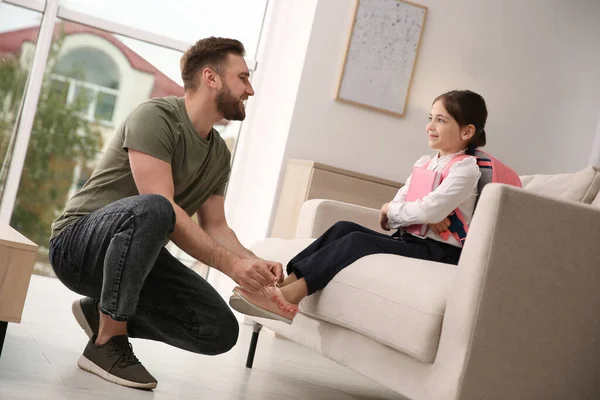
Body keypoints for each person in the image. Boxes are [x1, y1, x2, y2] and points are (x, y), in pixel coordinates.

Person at [48, 37, 283, 390]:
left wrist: (255, 269)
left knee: (218, 330)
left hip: (134, 260)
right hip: (77, 247)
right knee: (158, 207)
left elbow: (217, 227)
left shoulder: (219, 154)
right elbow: (162, 208)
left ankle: (101, 311)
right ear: (211, 78)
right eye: (243, 78)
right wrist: (231, 266)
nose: (250, 89)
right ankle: (106, 344)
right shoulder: (155, 117)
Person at [230, 90, 488, 323]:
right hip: (410, 239)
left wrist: (392, 211)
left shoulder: (465, 169)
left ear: (466, 132)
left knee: (356, 241)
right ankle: (284, 286)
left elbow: (425, 210)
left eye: (440, 121)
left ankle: (288, 300)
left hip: (439, 251)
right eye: (430, 118)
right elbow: (406, 204)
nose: (430, 127)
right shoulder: (425, 162)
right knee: (342, 228)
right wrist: (403, 212)